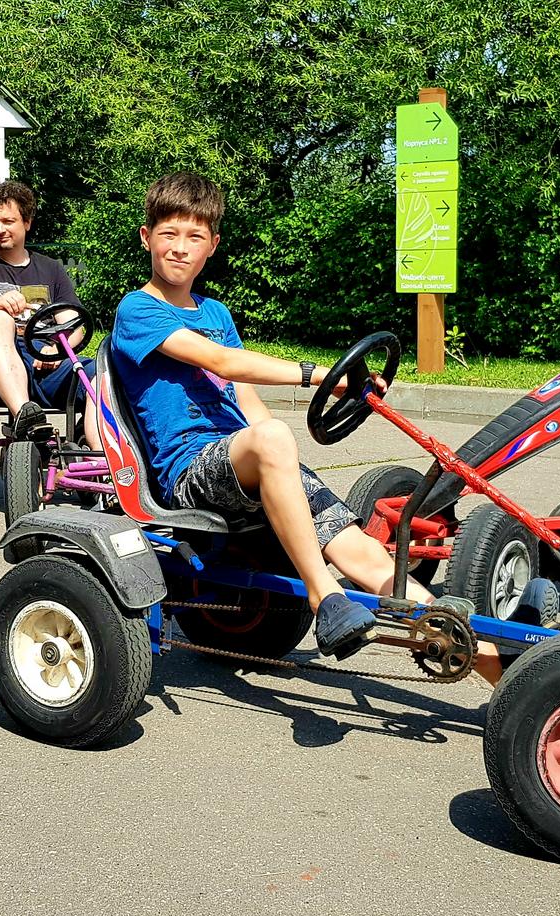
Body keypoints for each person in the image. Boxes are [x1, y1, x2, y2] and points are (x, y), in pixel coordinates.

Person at [112, 173, 525, 677]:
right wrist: (321, 377)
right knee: (272, 439)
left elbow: (245, 401)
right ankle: (323, 595)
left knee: (367, 554)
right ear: (146, 236)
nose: (179, 249)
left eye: (194, 237)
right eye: (169, 234)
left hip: (247, 460)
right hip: (187, 472)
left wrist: (284, 464)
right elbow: (223, 363)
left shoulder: (215, 311)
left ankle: (498, 668)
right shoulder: (136, 309)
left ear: (213, 246)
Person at [0, 180, 97, 445]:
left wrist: (55, 349)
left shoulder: (51, 269)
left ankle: (98, 463)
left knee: (101, 373)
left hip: (43, 362)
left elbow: (74, 325)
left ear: (26, 222)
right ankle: (25, 417)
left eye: (8, 221)